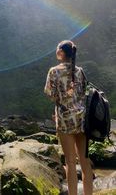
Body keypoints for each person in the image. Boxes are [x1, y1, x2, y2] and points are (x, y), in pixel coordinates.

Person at [44, 40, 93, 195]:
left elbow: (51, 95)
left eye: (57, 49)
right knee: (85, 162)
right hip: (82, 120)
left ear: (61, 53)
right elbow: (84, 94)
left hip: (65, 121)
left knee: (70, 163)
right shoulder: (80, 71)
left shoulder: (54, 71)